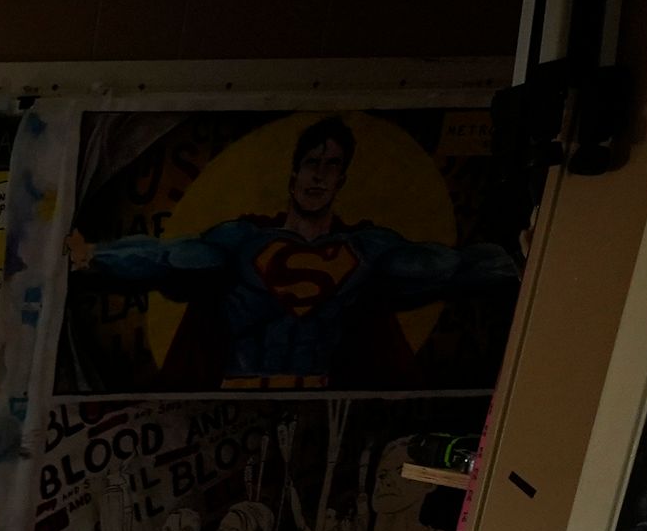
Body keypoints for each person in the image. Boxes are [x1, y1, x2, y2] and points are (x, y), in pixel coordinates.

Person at [70, 115, 521, 390]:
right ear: (293, 172)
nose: (319, 177)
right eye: (311, 163)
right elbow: (170, 257)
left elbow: (446, 267)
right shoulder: (242, 242)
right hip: (237, 394)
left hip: (321, 397)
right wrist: (92, 255)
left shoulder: (363, 250)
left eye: (331, 166)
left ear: (342, 178)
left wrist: (524, 259)